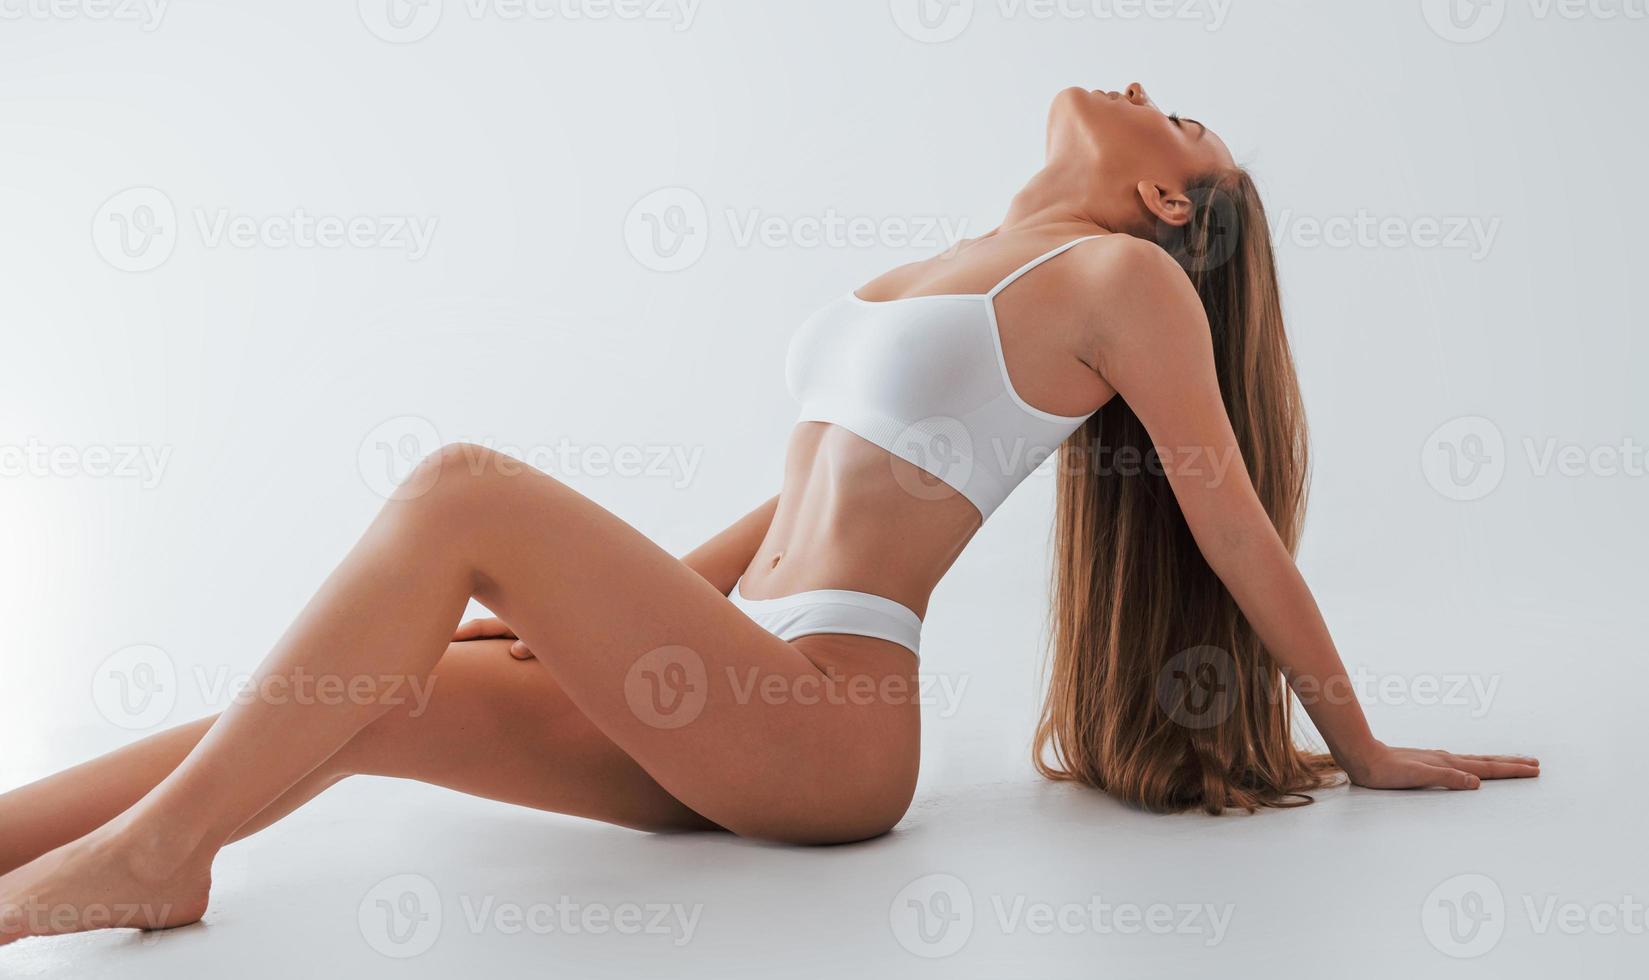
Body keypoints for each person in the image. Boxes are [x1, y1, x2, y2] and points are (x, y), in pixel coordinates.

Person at [0, 82, 1538, 945]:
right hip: (718, 688)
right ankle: (71, 846)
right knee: (345, 690)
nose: (1146, 91)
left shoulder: (1118, 283)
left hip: (823, 726)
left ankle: (162, 858)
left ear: (1160, 205)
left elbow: (1232, 528)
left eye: (1182, 122)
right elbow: (805, 492)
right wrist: (592, 610)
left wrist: (1360, 745)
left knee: (459, 484)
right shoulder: (963, 260)